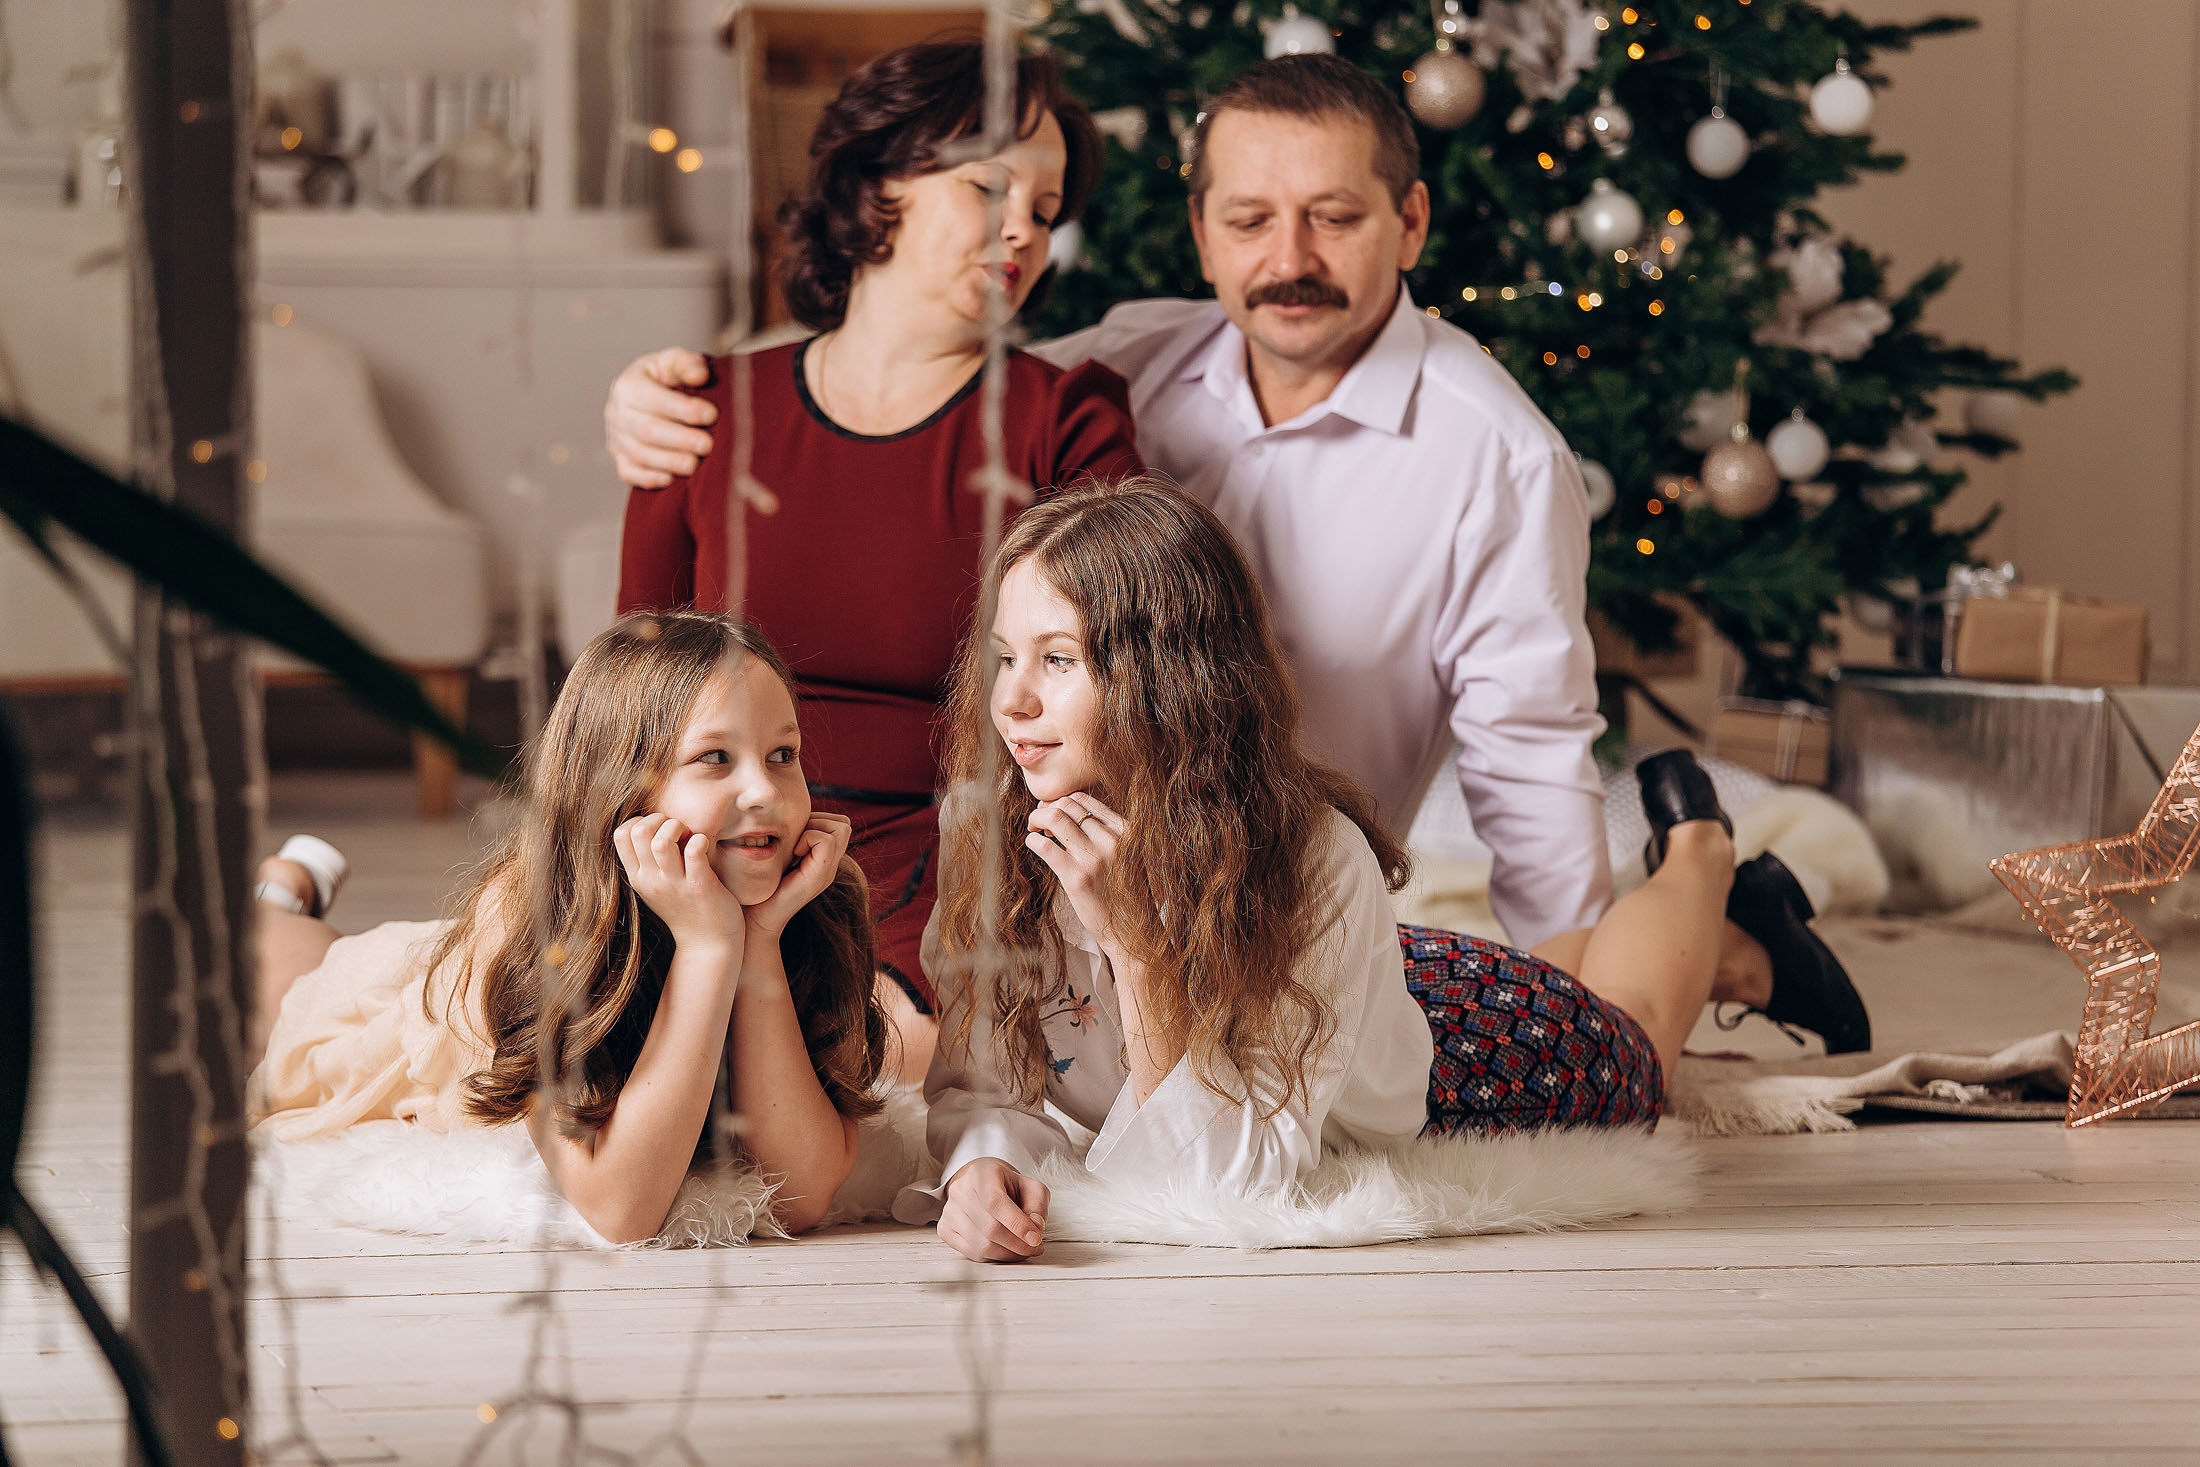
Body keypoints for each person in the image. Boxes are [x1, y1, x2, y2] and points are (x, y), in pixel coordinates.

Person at [605, 52, 1607, 953]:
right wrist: (648, 400)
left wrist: (1570, 971)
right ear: (1202, 238)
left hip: (1273, 884)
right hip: (788, 845)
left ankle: (1695, 873)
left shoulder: (1498, 459)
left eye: (1335, 218)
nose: (1290, 258)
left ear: (1410, 225)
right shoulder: (1133, 356)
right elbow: (914, 398)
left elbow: (1532, 756)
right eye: (1249, 220)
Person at [892, 481, 1867, 1263]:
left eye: (1057, 660)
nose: (1010, 700)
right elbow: (979, 1090)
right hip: (1348, 981)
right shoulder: (997, 834)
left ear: (1165, 675)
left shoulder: (1313, 858)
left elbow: (1228, 1186)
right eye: (1002, 656)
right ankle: (1732, 934)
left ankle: (1701, 859)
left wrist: (1136, 951)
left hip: (1455, 1051)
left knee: (1636, 1038)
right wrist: (979, 1165)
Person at [615, 41, 1143, 1080]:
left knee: (860, 1066)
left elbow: (1114, 689)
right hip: (717, 828)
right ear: (876, 183)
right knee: (513, 1019)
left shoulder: (1064, 420)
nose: (1022, 232)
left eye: (1045, 211)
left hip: (944, 859)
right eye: (989, 186)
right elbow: (630, 699)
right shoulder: (703, 411)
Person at [250, 612, 887, 1244]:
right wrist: (707, 945)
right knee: (284, 972)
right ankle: (283, 891)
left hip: (471, 957)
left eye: (783, 754)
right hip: (419, 1014)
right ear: (621, 789)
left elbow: (801, 1197)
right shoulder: (539, 923)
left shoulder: (818, 900)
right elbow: (620, 1212)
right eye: (714, 757)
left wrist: (758, 941)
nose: (763, 791)